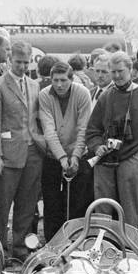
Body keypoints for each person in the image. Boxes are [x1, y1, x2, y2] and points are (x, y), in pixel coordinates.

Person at [85, 52, 138, 226]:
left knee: (129, 209)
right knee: (103, 207)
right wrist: (97, 147)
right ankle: (104, 245)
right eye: (113, 72)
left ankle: (128, 247)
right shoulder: (105, 97)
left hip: (131, 157)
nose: (117, 76)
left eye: (121, 71)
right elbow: (92, 130)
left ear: (131, 70)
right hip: (105, 159)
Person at [0, 41, 45, 258]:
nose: (22, 66)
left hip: (32, 153)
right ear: (10, 60)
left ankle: (20, 248)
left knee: (27, 205)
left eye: (26, 62)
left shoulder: (34, 85)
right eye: (18, 62)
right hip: (7, 154)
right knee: (2, 207)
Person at [38, 62, 93, 238]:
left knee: (78, 202)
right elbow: (49, 129)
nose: (59, 85)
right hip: (53, 156)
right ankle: (52, 241)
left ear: (71, 79)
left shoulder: (82, 93)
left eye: (63, 80)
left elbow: (84, 128)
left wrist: (75, 156)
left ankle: (77, 239)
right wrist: (62, 157)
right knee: (52, 202)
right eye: (55, 81)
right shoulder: (45, 95)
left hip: (79, 153)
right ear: (51, 80)